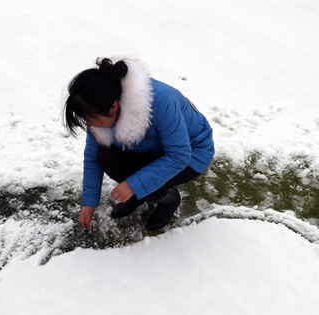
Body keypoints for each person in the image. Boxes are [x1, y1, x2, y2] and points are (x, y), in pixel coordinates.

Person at [64, 58, 215, 230]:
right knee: (106, 157)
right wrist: (89, 202)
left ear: (113, 107)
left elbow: (179, 155)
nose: (90, 126)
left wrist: (132, 185)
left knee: (146, 184)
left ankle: (169, 200)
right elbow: (93, 157)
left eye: (92, 121)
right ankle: (140, 193)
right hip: (152, 148)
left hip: (192, 152)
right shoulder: (100, 103)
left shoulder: (160, 101)